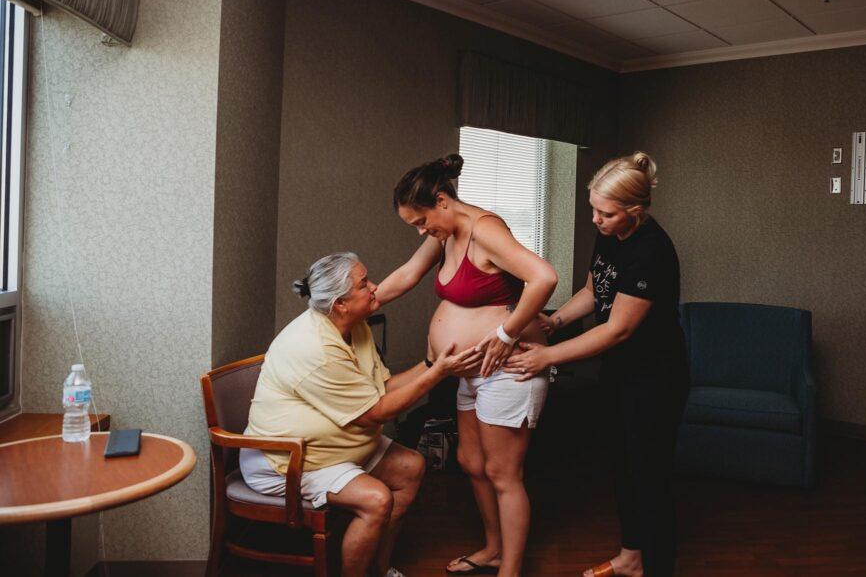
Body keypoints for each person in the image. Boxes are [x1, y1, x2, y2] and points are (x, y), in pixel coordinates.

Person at [241, 252, 482, 577]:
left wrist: (428, 364)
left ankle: (378, 570)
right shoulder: (316, 348)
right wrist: (438, 374)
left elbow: (383, 386)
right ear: (340, 303)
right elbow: (375, 412)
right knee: (376, 500)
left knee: (411, 468)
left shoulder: (354, 325)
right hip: (285, 460)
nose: (375, 287)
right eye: (363, 283)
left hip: (332, 450)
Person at [506, 152, 688, 577]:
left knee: (649, 478)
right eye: (593, 208)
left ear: (635, 212)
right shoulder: (611, 234)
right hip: (621, 371)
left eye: (605, 212)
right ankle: (630, 558)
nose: (595, 219)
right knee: (624, 468)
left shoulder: (652, 250)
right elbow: (596, 287)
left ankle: (658, 568)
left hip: (655, 378)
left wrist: (545, 356)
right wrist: (556, 322)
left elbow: (617, 329)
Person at [375, 154, 558, 577]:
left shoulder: (485, 229)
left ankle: (510, 569)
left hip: (509, 368)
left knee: (502, 472)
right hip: (471, 372)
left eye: (421, 221)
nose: (421, 231)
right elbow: (407, 274)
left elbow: (543, 277)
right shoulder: (445, 230)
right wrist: (360, 304)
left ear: (441, 201)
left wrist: (506, 334)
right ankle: (494, 548)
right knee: (472, 463)